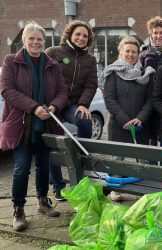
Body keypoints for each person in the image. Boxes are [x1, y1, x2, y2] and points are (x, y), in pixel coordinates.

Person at [0, 22, 68, 231]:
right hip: (22, 125)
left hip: (46, 124)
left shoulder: (52, 65)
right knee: (21, 168)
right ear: (24, 40)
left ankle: (42, 201)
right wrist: (34, 107)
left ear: (44, 42)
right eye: (32, 39)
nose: (36, 42)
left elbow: (62, 91)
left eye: (39, 39)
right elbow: (7, 90)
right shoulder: (11, 61)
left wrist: (55, 106)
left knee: (44, 166)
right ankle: (18, 209)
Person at [45, 20, 98, 201]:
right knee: (54, 142)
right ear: (69, 34)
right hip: (52, 104)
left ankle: (82, 162)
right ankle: (58, 186)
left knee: (84, 120)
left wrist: (84, 104)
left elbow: (91, 85)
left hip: (73, 104)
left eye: (85, 36)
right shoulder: (53, 52)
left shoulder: (90, 60)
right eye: (78, 34)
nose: (81, 38)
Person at [102, 36, 155, 201]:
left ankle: (144, 189)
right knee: (117, 159)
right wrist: (124, 119)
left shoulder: (145, 74)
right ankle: (115, 188)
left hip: (140, 125)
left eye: (134, 51)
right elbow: (109, 99)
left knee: (143, 160)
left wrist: (140, 118)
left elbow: (151, 99)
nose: (131, 54)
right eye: (127, 51)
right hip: (119, 125)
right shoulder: (112, 73)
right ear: (121, 52)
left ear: (139, 54)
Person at [139, 16, 162, 148]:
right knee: (150, 141)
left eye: (161, 32)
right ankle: (151, 168)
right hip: (148, 102)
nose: (158, 36)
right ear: (151, 34)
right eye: (155, 33)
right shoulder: (144, 54)